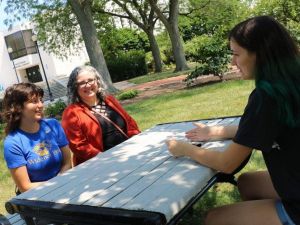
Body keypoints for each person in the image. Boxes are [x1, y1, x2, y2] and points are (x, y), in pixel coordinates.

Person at [167, 16, 300, 225]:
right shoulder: (290, 82)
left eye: (236, 54)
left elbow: (227, 164)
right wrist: (216, 132)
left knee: (214, 218)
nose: (232, 62)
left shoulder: (266, 96)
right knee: (247, 183)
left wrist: (184, 149)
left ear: (261, 55)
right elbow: (267, 127)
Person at [62, 66, 140, 166]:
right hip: (99, 165)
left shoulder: (110, 100)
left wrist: (136, 140)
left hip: (128, 155)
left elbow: (130, 123)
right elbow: (78, 145)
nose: (88, 85)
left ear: (97, 82)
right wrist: (104, 159)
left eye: (91, 80)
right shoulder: (71, 113)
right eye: (82, 83)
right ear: (75, 87)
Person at [3, 83, 72, 193]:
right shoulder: (13, 143)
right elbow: (25, 187)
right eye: (34, 101)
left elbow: (67, 162)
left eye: (41, 100)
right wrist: (56, 184)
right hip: (38, 200)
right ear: (18, 107)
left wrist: (61, 183)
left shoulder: (53, 125)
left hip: (65, 188)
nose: (40, 105)